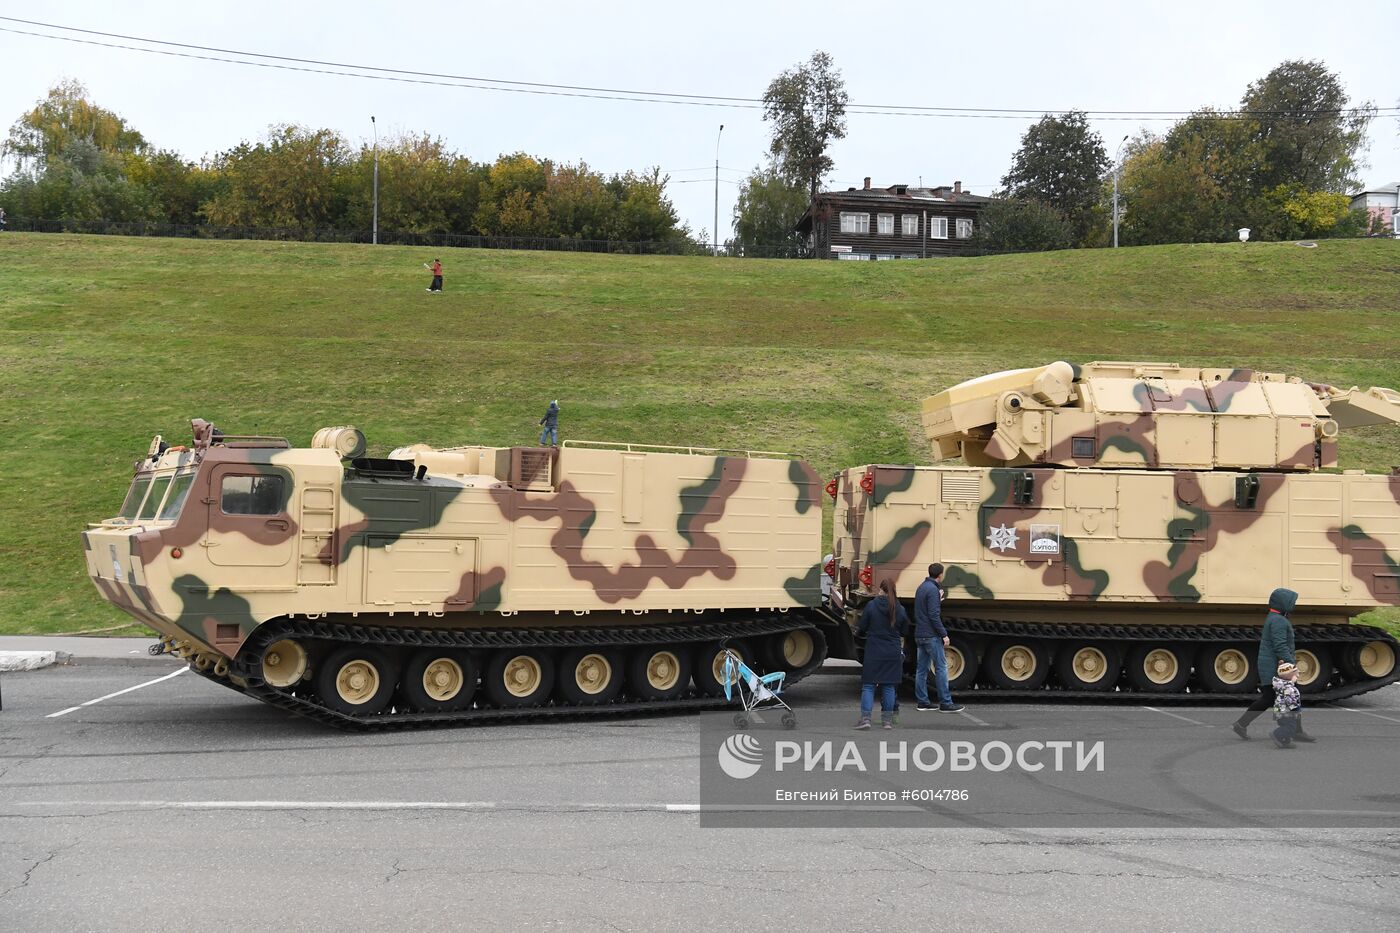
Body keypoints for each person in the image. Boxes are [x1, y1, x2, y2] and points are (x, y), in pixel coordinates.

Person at [1232, 587, 1313, 742]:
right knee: (1288, 696)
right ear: (1284, 604)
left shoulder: (1275, 618)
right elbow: (1280, 646)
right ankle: (1291, 731)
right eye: (1292, 602)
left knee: (1271, 698)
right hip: (1277, 668)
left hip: (1272, 666)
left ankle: (1242, 724)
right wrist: (1291, 666)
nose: (1294, 605)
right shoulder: (1279, 621)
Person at [855, 578, 907, 730]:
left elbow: (862, 626)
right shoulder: (899, 608)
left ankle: (865, 719)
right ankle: (887, 721)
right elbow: (905, 630)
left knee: (869, 686)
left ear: (881, 590)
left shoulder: (872, 605)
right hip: (892, 650)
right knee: (889, 686)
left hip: (874, 649)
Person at [914, 563, 964, 713]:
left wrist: (937, 599)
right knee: (941, 668)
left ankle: (922, 701)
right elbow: (934, 615)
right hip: (931, 635)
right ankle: (945, 703)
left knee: (921, 669)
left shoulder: (921, 587)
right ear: (940, 575)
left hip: (920, 634)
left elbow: (924, 609)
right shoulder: (933, 590)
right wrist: (944, 634)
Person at [1270, 661, 1302, 749]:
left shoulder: (1281, 685)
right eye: (1296, 675)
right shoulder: (1289, 688)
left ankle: (1286, 742)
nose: (1298, 676)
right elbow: (1291, 702)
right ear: (1290, 676)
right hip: (1287, 712)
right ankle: (1276, 734)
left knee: (1285, 725)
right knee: (1290, 727)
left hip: (1279, 710)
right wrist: (1296, 710)